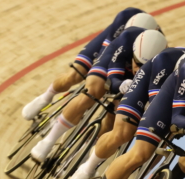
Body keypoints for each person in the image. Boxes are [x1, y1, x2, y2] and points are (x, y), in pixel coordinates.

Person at [63, 47, 185, 179]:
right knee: (122, 133)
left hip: (170, 100)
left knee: (158, 144)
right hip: (146, 88)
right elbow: (155, 102)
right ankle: (86, 169)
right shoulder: (165, 60)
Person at [29, 27, 168, 162]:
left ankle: (81, 154)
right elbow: (113, 76)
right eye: (137, 63)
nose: (138, 69)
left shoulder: (162, 63)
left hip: (133, 81)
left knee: (114, 120)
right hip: (112, 65)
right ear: (134, 51)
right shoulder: (127, 39)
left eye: (143, 66)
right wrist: (119, 84)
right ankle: (48, 141)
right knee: (92, 92)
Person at [21, 8, 159, 120]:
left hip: (131, 58)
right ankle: (46, 97)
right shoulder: (125, 19)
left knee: (117, 107)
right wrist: (96, 74)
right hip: (112, 48)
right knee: (75, 75)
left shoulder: (154, 42)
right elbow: (106, 54)